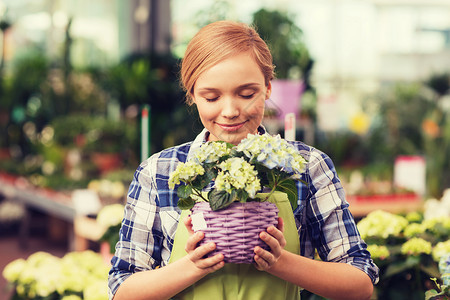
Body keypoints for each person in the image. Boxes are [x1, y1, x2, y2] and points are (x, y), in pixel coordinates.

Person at [108, 20, 379, 300]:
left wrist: (281, 261)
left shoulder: (307, 166)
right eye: (211, 97)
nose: (230, 111)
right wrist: (193, 265)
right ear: (192, 95)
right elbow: (122, 289)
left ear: (268, 89)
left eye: (247, 94)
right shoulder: (159, 172)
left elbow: (359, 283)